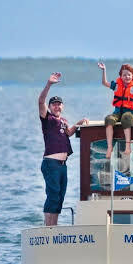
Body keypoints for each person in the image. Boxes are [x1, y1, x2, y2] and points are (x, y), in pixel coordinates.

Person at [38, 72, 88, 226]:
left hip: (62, 165)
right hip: (51, 163)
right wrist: (49, 84)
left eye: (59, 104)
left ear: (62, 106)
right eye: (54, 104)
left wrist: (78, 123)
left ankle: (54, 227)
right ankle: (48, 228)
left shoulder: (64, 121)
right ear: (50, 107)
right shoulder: (47, 118)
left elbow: (68, 133)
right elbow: (41, 101)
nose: (56, 106)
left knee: (60, 197)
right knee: (52, 196)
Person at [97, 62, 133, 159]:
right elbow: (104, 83)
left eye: (129, 75)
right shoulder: (117, 86)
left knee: (126, 118)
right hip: (117, 112)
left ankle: (128, 146)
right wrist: (104, 70)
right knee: (109, 119)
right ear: (121, 76)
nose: (127, 77)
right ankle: (109, 147)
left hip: (129, 112)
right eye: (124, 75)